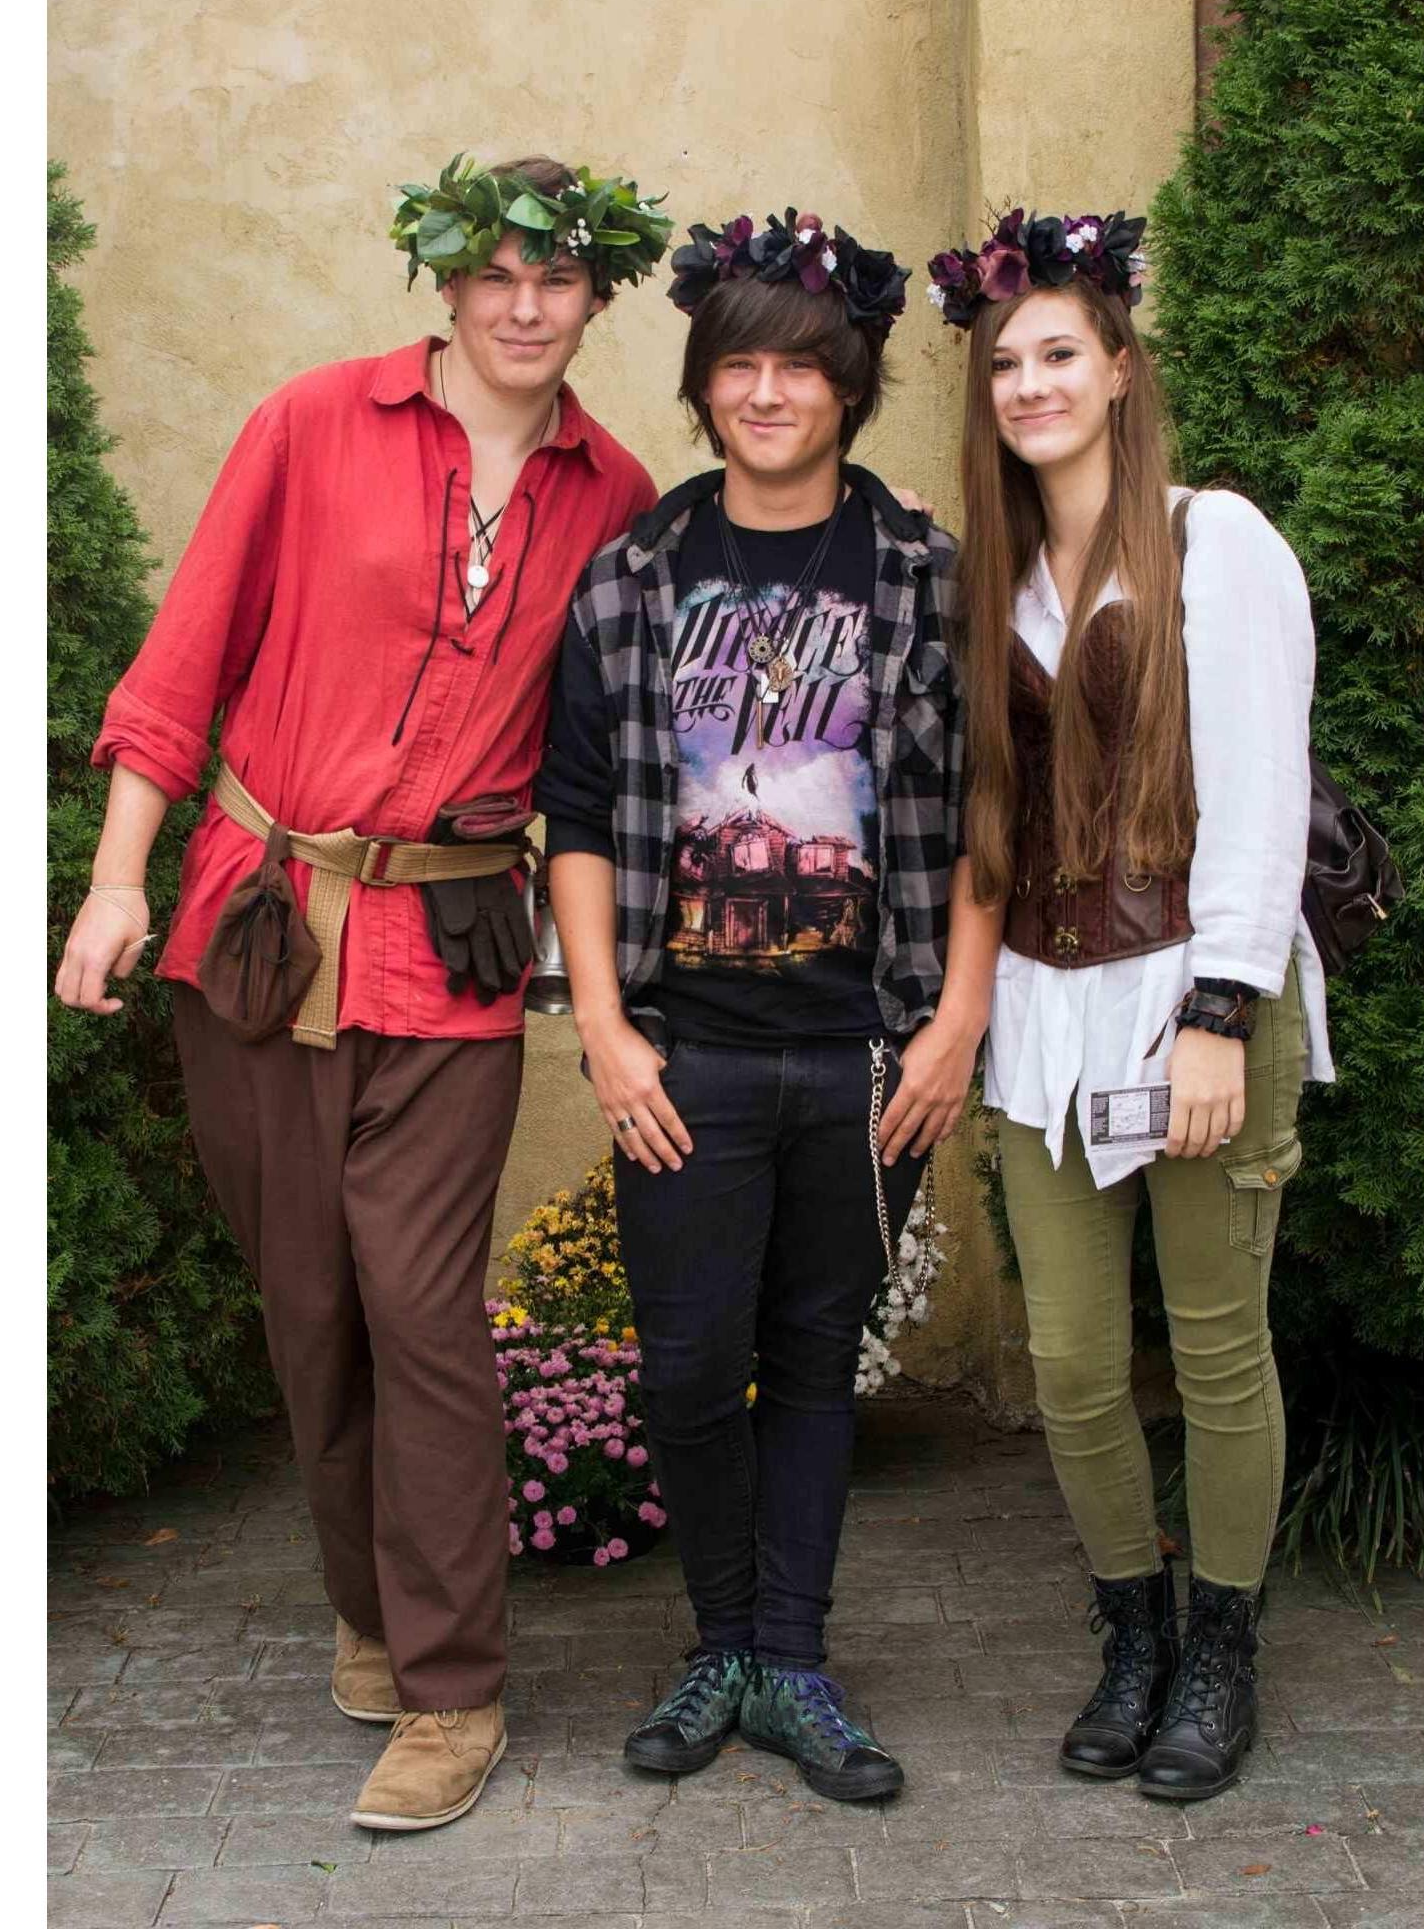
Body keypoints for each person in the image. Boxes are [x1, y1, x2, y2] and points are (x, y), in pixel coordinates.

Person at [52, 153, 671, 1831]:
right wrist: (118, 877)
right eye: (498, 275)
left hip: (452, 953)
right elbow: (186, 657)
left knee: (422, 1312)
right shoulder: (312, 423)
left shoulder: (614, 495)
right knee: (309, 1313)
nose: (527, 305)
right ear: (448, 287)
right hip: (254, 925)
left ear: (594, 298)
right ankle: (368, 1611)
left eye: (559, 280)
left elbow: (618, 753)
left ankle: (455, 1686)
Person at [535, 208, 997, 1803]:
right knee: (683, 1365)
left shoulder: (925, 575)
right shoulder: (635, 579)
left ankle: (790, 1660)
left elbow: (987, 813)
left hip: (868, 1052)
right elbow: (579, 816)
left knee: (813, 1361)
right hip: (688, 1058)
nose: (765, 394)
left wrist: (955, 1026)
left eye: (797, 368)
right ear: (703, 388)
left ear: (847, 386)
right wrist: (603, 1025)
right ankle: (717, 1641)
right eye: (735, 367)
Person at [929, 207, 1334, 1800]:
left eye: (1056, 354)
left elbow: (1257, 789)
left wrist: (1223, 1012)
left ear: (1116, 366)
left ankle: (1221, 1655)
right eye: (1004, 363)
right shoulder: (994, 583)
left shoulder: (1214, 540)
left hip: (1194, 990)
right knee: (1078, 1361)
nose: (1029, 384)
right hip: (1045, 1012)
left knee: (1221, 1350)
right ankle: (1132, 1637)